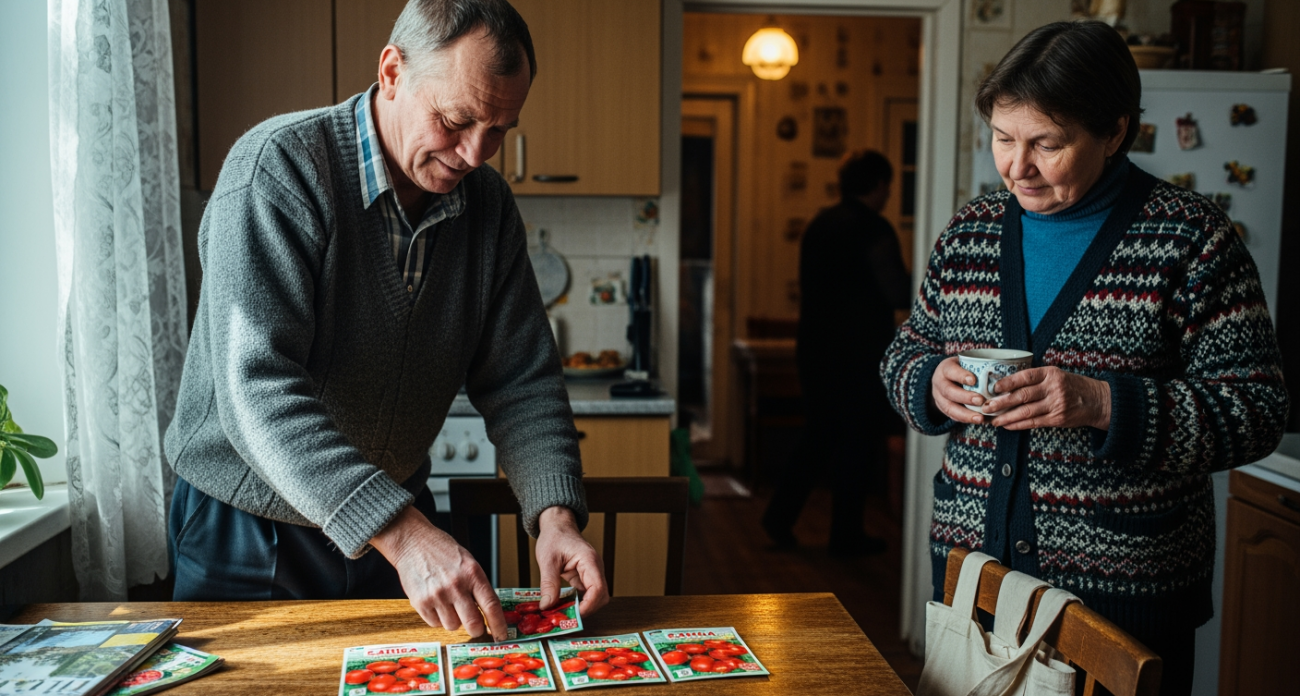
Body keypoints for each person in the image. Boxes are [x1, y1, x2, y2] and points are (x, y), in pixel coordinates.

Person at [163, 0, 607, 640]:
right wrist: (402, 532)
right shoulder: (280, 167)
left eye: (500, 130)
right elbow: (254, 387)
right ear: (393, 71)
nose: (477, 154)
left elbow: (523, 382)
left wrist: (556, 516)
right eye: (457, 120)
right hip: (249, 525)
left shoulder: (488, 207)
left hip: (394, 522)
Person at [880, 21, 1287, 696]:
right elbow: (908, 348)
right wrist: (927, 381)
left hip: (1122, 599)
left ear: (1115, 133)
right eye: (1004, 139)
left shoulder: (1192, 238)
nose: (1017, 166)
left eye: (1048, 143)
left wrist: (1102, 403)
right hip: (977, 579)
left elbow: (1257, 409)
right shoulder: (972, 231)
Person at [761, 150, 911, 557]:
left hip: (815, 347)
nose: (889, 193)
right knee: (857, 441)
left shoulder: (819, 225)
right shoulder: (874, 228)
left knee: (818, 433)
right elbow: (896, 291)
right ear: (878, 184)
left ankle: (779, 517)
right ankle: (846, 534)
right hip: (859, 353)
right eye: (888, 185)